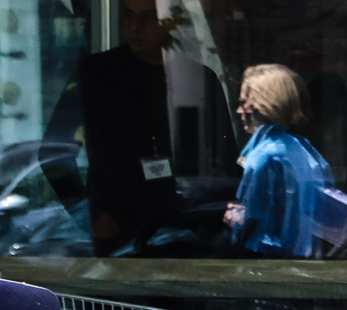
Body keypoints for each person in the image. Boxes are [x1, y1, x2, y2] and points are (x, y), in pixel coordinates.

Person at [49, 0, 232, 254]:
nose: (135, 27)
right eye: (129, 16)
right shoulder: (96, 75)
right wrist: (91, 216)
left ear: (170, 23)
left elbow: (225, 162)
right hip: (118, 229)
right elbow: (53, 154)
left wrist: (210, 224)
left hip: (187, 235)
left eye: (147, 18)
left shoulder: (198, 79)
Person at [224, 64, 332, 256]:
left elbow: (252, 218)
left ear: (264, 105)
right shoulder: (301, 148)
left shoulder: (264, 156)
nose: (239, 110)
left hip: (267, 260)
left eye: (244, 103)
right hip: (303, 255)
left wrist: (234, 216)